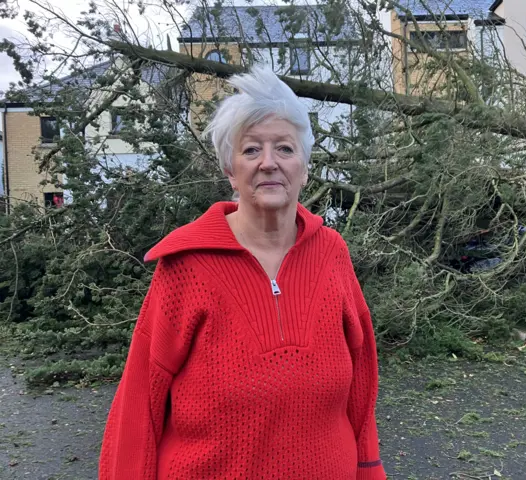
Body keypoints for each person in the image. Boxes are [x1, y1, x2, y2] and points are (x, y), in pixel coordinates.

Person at [98, 65, 386, 480]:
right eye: (251, 150)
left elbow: (362, 386)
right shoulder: (187, 267)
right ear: (230, 170)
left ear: (304, 167)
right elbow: (139, 403)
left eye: (284, 149)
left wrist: (370, 470)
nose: (268, 163)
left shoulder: (331, 253)